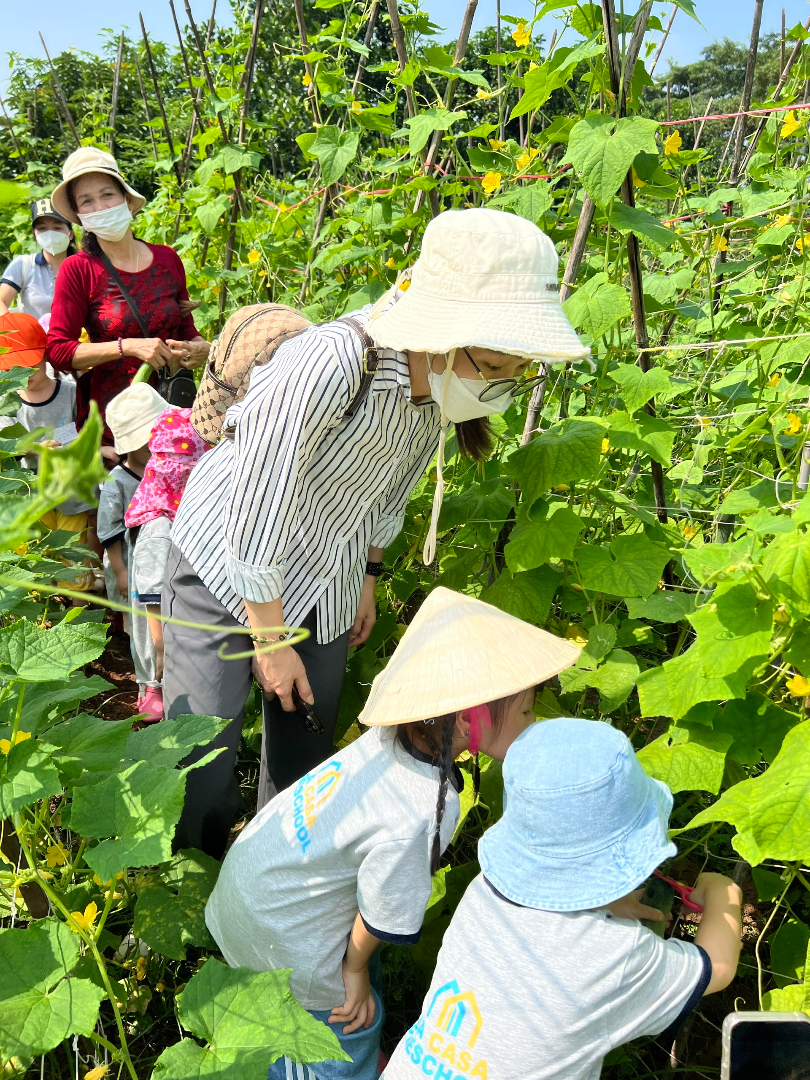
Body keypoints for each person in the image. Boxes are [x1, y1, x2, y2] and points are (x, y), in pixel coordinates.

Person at [163, 206, 591, 859]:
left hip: (325, 578)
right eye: (499, 368)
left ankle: (270, 883)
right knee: (201, 757)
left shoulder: (437, 394)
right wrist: (270, 638)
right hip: (226, 568)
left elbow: (389, 494)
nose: (504, 387)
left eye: (514, 372)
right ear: (450, 335)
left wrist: (366, 577)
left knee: (304, 755)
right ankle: (183, 899)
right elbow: (256, 499)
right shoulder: (335, 360)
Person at [204, 586, 582, 1080]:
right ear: (472, 718)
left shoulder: (390, 738)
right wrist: (354, 973)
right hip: (284, 945)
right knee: (351, 1020)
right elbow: (383, 912)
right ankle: (329, 1067)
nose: (532, 722)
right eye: (527, 711)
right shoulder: (422, 809)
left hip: (251, 901)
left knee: (344, 969)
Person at [381, 718, 744, 1080]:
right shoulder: (617, 952)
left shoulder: (485, 892)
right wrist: (724, 891)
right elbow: (719, 968)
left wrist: (596, 900)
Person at [46, 147, 209, 452]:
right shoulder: (79, 268)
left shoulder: (167, 258)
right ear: (80, 216)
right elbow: (58, 351)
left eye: (107, 194)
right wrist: (128, 347)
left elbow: (185, 326)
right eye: (87, 201)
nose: (100, 206)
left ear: (125, 198)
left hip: (174, 406)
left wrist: (199, 347)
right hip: (119, 420)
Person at [124, 407, 207, 721]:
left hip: (180, 612)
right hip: (159, 620)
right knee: (156, 665)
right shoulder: (160, 527)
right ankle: (152, 688)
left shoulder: (180, 514)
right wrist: (161, 647)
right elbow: (152, 596)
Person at [0, 313, 93, 586]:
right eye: (13, 369)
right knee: (39, 557)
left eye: (32, 367)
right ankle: (50, 610)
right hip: (32, 493)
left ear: (47, 357)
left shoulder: (69, 392)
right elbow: (7, 444)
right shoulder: (7, 402)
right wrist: (35, 448)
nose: (25, 376)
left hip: (71, 489)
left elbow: (86, 427)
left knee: (74, 557)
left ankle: (79, 608)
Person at [99, 384, 167, 716]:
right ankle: (147, 685)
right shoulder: (118, 480)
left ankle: (158, 678)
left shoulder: (166, 468)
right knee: (139, 624)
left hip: (158, 563)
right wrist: (121, 571)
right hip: (127, 564)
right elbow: (109, 531)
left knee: (155, 619)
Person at [0, 199, 77, 322]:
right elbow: (1, 301)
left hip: (80, 340)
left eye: (57, 228)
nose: (50, 234)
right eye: (42, 228)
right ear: (35, 234)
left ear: (71, 234)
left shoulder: (84, 267)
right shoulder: (23, 265)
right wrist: (14, 328)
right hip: (34, 339)